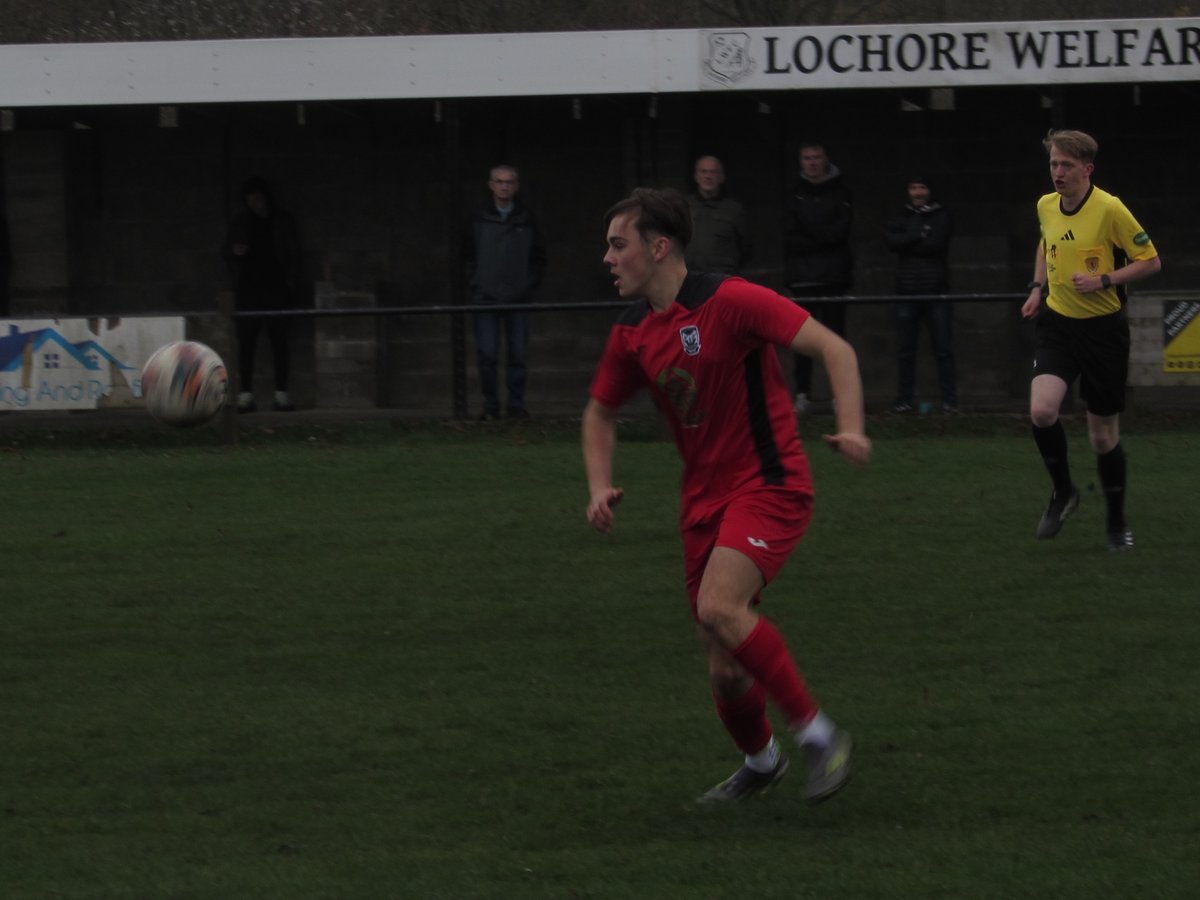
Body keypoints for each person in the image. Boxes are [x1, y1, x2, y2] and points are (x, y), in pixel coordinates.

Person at [582, 187, 871, 804]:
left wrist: (851, 425)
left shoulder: (730, 299)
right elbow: (599, 413)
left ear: (659, 248)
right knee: (724, 664)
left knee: (719, 607)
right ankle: (762, 762)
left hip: (769, 482)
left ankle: (820, 736)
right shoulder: (633, 332)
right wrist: (598, 483)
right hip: (702, 503)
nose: (607, 258)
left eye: (617, 244)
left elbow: (833, 348)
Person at [1020, 129, 1161, 551]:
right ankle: (1064, 492)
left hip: (1103, 333)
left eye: (1066, 165)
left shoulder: (1110, 209)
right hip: (1058, 325)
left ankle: (1116, 523)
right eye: (1053, 164)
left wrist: (1105, 279)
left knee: (1101, 436)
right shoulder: (1046, 204)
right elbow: (1047, 242)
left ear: (1087, 169)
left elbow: (1151, 261)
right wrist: (1035, 287)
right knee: (1042, 411)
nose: (1058, 173)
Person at [462, 164, 547, 420]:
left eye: (509, 182)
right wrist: (477, 282)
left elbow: (538, 257)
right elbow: (466, 255)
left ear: (516, 186)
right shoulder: (478, 218)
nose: (504, 186)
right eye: (499, 181)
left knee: (518, 355)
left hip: (517, 298)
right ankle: (490, 407)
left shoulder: (527, 218)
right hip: (485, 297)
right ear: (491, 185)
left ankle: (516, 406)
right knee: (487, 354)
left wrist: (526, 285)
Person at [221, 176, 304, 413]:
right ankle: (246, 395)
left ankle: (281, 395)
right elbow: (225, 252)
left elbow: (294, 254)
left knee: (280, 342)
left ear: (266, 197)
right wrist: (236, 253)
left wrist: (289, 285)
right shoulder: (241, 223)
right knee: (246, 343)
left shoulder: (282, 221)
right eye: (250, 199)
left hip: (276, 290)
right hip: (248, 291)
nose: (255, 203)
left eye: (258, 197)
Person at [783, 141, 853, 413]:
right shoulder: (793, 194)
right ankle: (803, 394)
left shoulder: (842, 192)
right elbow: (791, 236)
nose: (812, 162)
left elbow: (841, 232)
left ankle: (840, 396)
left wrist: (811, 233)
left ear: (825, 160)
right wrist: (821, 236)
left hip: (835, 277)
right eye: (807, 158)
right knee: (803, 341)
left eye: (816, 157)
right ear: (801, 162)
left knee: (836, 341)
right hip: (803, 279)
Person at [884, 175, 957, 414]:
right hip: (906, 291)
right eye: (913, 187)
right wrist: (918, 233)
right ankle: (904, 401)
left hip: (935, 291)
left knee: (943, 348)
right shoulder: (900, 215)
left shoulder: (941, 215)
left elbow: (935, 244)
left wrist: (908, 239)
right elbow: (892, 241)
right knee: (905, 350)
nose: (917, 192)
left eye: (922, 187)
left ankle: (950, 402)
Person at [684, 155, 751, 275]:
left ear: (721, 177)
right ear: (696, 176)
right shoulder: (685, 206)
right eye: (703, 171)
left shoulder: (734, 210)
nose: (708, 176)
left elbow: (746, 247)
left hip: (722, 278)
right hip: (690, 278)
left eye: (713, 172)